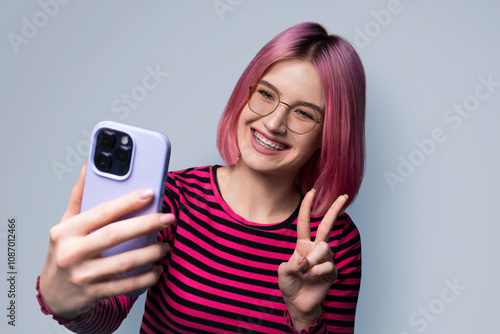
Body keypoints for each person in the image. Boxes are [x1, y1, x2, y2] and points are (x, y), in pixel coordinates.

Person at [37, 22, 366, 333]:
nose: (274, 123)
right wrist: (65, 302)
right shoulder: (172, 200)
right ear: (245, 93)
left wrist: (304, 315)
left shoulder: (335, 243)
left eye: (304, 113)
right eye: (266, 94)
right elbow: (105, 316)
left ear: (330, 135)